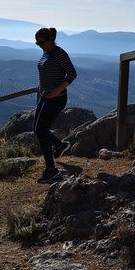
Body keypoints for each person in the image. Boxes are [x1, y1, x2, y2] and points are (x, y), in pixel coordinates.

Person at [33, 27, 77, 184]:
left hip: (56, 98)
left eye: (42, 42)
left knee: (41, 130)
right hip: (44, 96)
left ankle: (51, 170)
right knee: (37, 129)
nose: (39, 45)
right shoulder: (46, 52)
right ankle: (59, 145)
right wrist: (41, 89)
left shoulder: (60, 54)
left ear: (50, 40)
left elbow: (72, 73)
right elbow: (45, 72)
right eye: (37, 43)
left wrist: (56, 90)